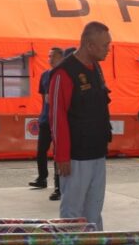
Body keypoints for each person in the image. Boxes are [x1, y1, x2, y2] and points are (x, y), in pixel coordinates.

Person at [49, 22, 112, 228]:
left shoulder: (96, 68)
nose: (108, 49)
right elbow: (57, 116)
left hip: (97, 152)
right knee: (73, 212)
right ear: (89, 45)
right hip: (76, 157)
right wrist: (62, 156)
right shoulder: (63, 73)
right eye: (105, 45)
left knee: (94, 210)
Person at [29, 46, 64, 200]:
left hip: (60, 121)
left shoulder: (64, 75)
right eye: (49, 56)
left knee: (58, 154)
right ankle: (42, 178)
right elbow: (45, 99)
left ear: (61, 58)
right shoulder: (44, 75)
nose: (50, 59)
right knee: (41, 150)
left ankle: (59, 187)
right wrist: (44, 114)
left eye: (53, 56)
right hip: (45, 119)